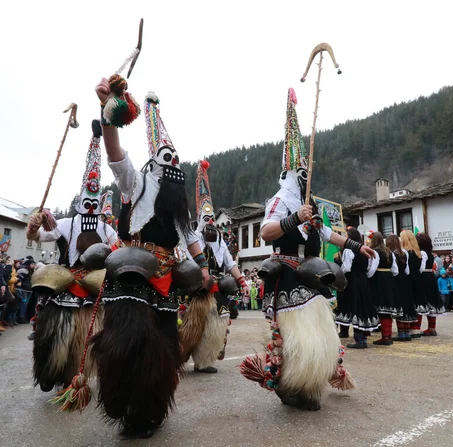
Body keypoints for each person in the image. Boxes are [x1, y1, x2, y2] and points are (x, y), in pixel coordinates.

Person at [240, 88, 374, 411]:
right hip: (286, 273)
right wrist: (292, 219)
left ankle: (310, 382)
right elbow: (265, 232)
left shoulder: (311, 205)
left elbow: (330, 235)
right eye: (301, 173)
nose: (305, 178)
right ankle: (291, 384)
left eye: (308, 173)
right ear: (292, 172)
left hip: (310, 275)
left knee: (321, 330)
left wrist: (359, 246)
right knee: (298, 337)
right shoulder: (280, 200)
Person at [90, 80, 211, 438]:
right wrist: (109, 112)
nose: (172, 163)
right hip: (129, 270)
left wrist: (203, 268)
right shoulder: (136, 183)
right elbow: (115, 153)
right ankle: (123, 401)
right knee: (127, 340)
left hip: (164, 278)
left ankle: (150, 408)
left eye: (175, 158)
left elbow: (189, 237)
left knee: (162, 346)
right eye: (166, 158)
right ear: (154, 162)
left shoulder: (176, 203)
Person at [26, 121, 117, 393]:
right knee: (54, 334)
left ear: (99, 204)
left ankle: (74, 377)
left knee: (85, 339)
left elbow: (119, 246)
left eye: (94, 204)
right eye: (86, 203)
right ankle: (49, 370)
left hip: (93, 286)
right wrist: (32, 229)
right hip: (66, 282)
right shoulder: (67, 223)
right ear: (80, 202)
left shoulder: (105, 227)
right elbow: (40, 237)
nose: (90, 208)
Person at [179, 160, 248, 375]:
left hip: (218, 289)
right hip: (197, 290)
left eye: (211, 219)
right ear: (200, 219)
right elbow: (186, 259)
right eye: (206, 219)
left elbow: (230, 263)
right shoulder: (193, 237)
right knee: (191, 327)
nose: (210, 222)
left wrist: (241, 281)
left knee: (217, 325)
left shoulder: (220, 241)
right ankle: (180, 356)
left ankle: (205, 360)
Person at [335, 228, 380, 348]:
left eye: (346, 236)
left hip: (352, 280)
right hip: (363, 280)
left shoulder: (349, 250)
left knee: (354, 306)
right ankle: (362, 337)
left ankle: (359, 340)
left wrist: (339, 273)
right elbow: (370, 270)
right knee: (362, 307)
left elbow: (346, 268)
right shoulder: (365, 249)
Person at [387, 233, 416, 342]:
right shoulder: (404, 253)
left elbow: (394, 271)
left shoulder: (391, 254)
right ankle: (406, 333)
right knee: (406, 304)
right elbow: (407, 270)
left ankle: (401, 334)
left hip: (396, 280)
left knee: (399, 305)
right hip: (405, 280)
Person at [415, 233, 445, 336]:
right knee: (431, 301)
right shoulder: (430, 253)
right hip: (430, 277)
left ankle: (416, 328)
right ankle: (432, 328)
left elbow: (421, 267)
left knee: (421, 301)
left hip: (424, 278)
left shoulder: (422, 253)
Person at [400, 231, 425, 337]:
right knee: (417, 303)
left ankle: (408, 328)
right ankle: (416, 329)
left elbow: (406, 269)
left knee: (408, 303)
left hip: (407, 279)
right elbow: (421, 268)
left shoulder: (405, 252)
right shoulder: (418, 253)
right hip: (418, 279)